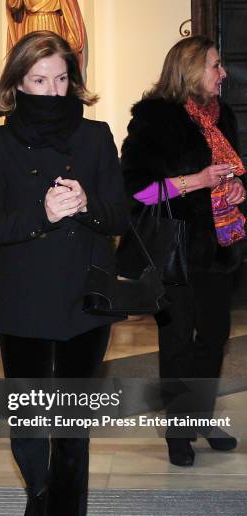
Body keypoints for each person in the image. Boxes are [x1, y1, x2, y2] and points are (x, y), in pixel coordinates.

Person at [0, 30, 128, 516]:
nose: (52, 90)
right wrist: (41, 212)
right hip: (24, 302)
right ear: (17, 84)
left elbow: (119, 216)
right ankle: (39, 492)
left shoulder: (95, 137)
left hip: (85, 300)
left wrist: (87, 206)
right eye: (40, 80)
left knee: (72, 427)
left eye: (61, 79)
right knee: (31, 423)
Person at [121, 35, 246, 467]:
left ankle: (200, 417)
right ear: (191, 69)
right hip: (172, 251)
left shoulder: (222, 116)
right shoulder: (154, 119)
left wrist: (235, 187)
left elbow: (228, 173)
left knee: (213, 338)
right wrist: (197, 181)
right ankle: (178, 433)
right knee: (177, 341)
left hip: (217, 248)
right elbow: (136, 190)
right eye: (216, 65)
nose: (223, 73)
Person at [6, 0, 86, 70]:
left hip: (52, 22)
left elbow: (70, 10)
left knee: (52, 59)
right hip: (32, 23)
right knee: (32, 62)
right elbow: (14, 5)